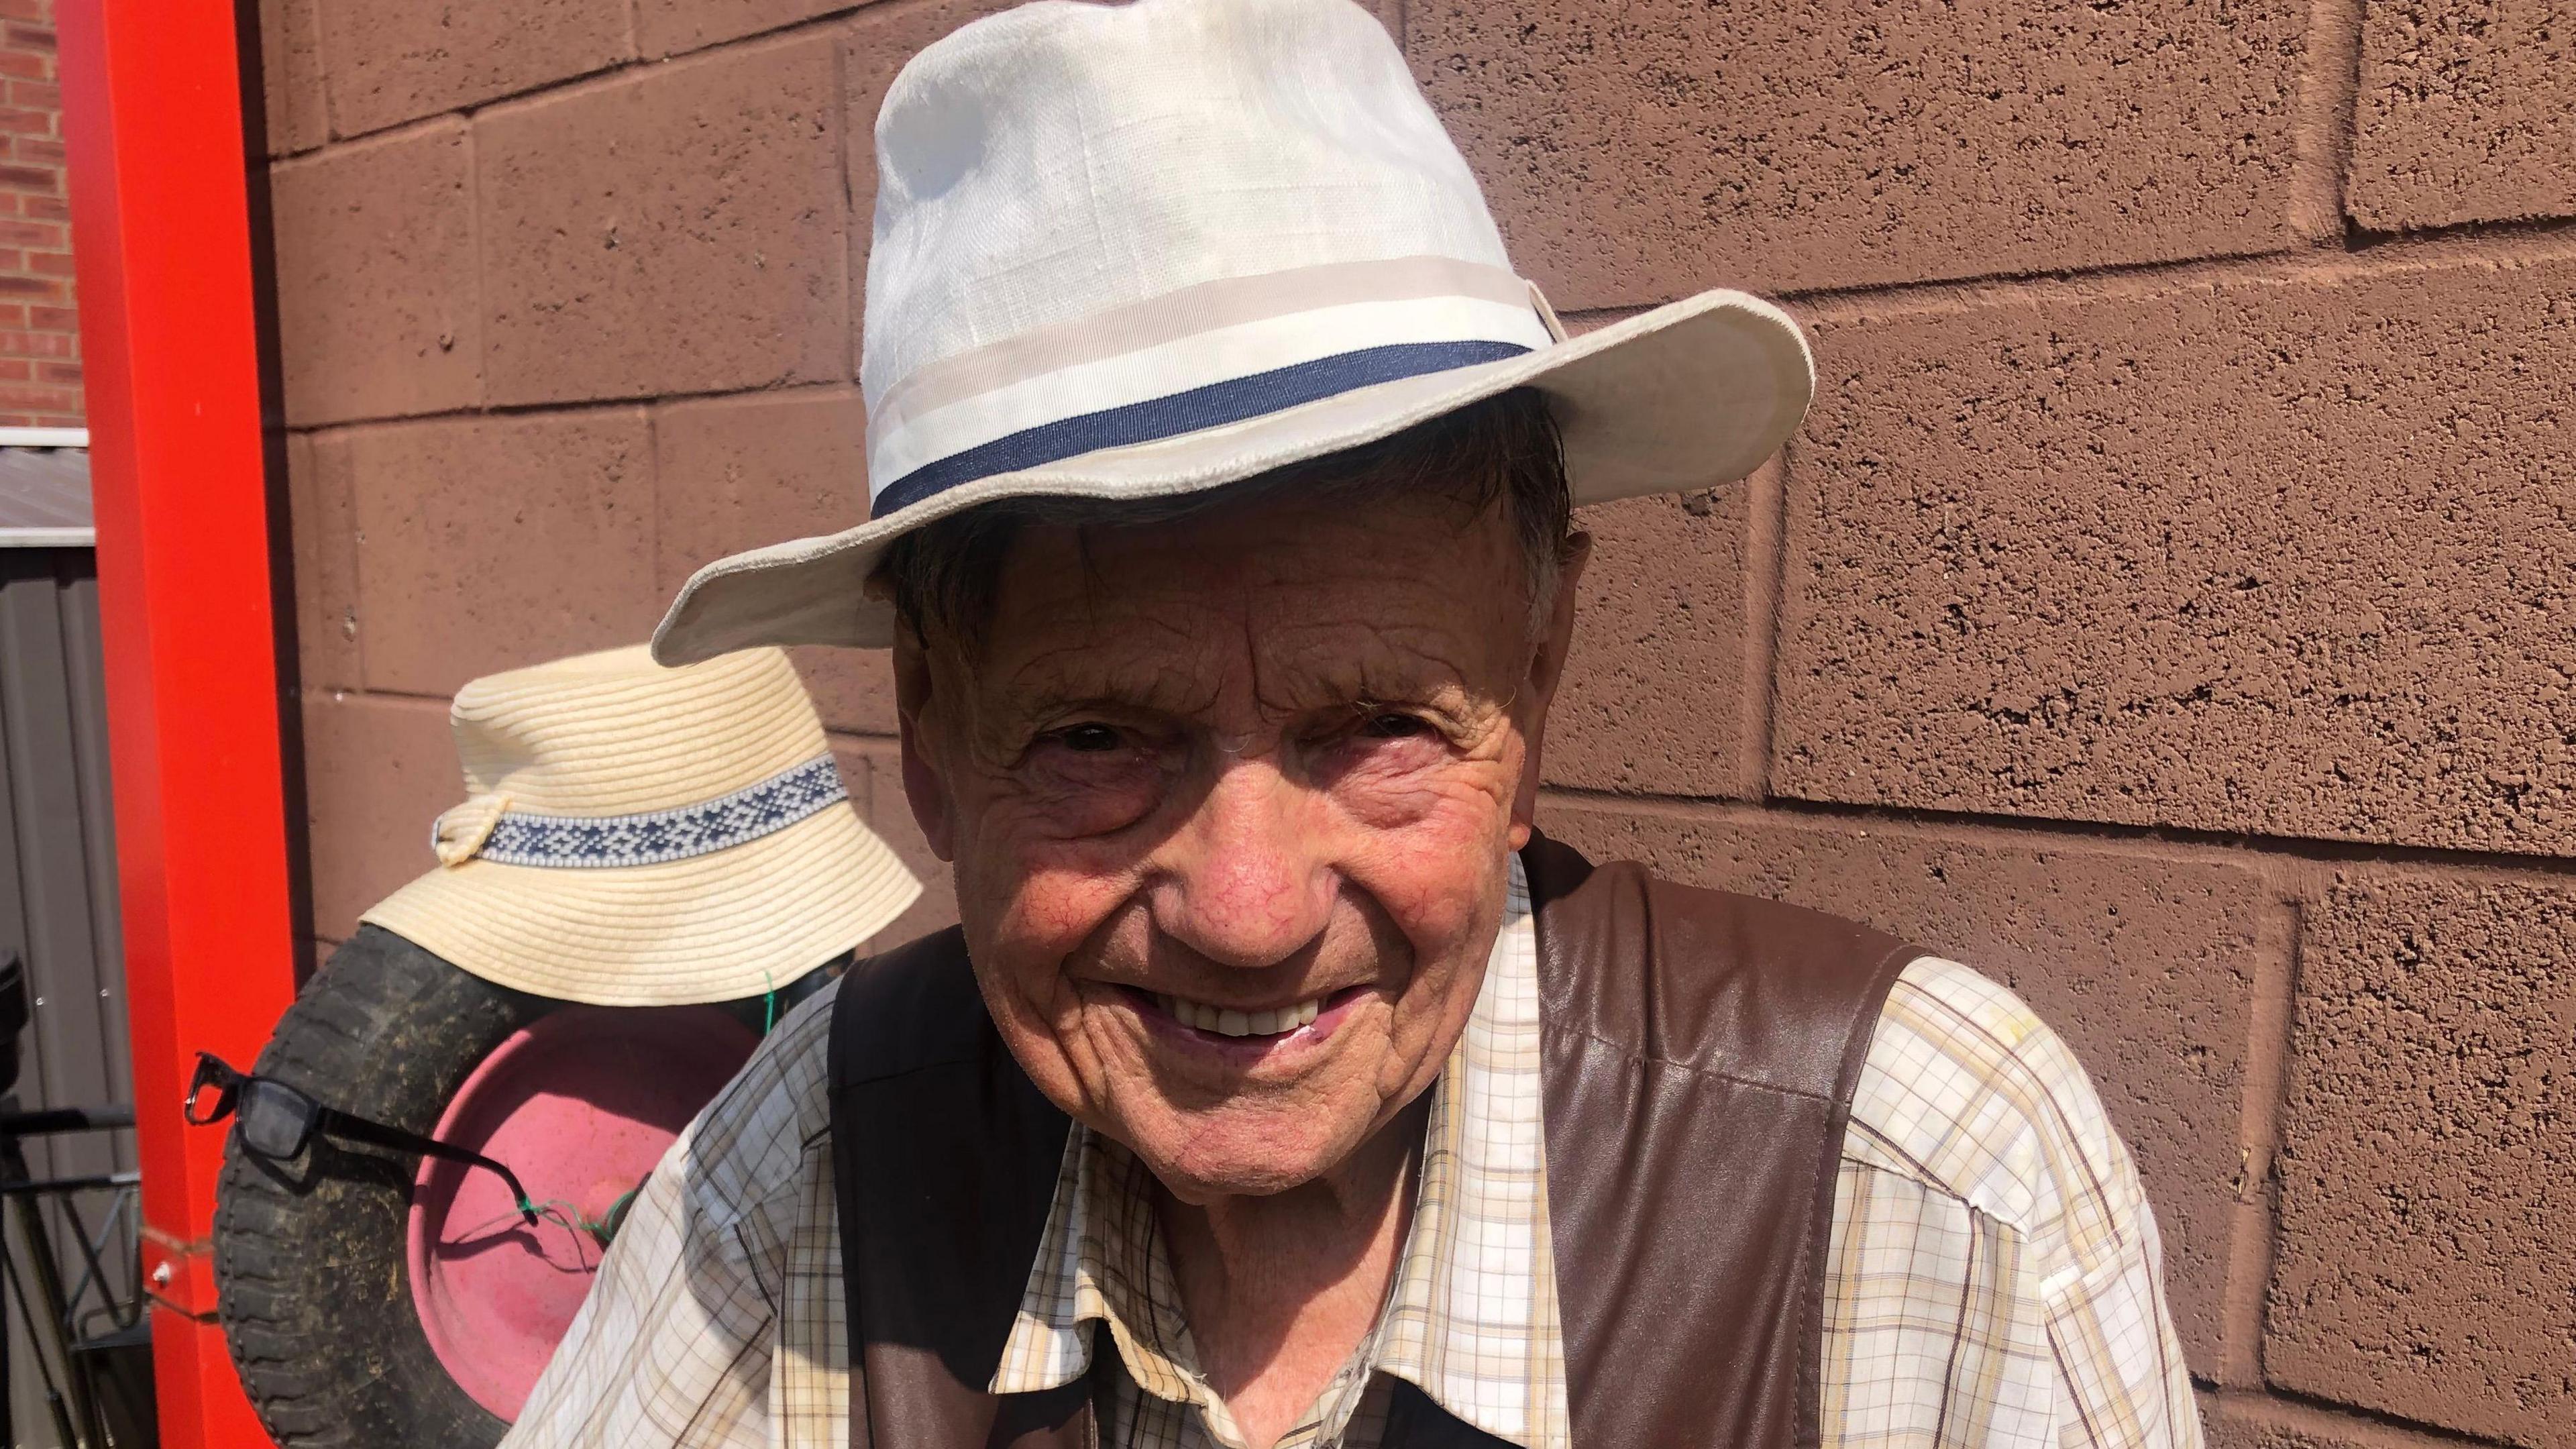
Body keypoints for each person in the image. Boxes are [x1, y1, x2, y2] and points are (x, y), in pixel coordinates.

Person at [503, 2, 2201, 1446]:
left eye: (1379, 722)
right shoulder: (808, 1164)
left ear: (1535, 688)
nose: (1249, 912)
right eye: (1099, 739)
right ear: (934, 741)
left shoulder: (1924, 1175)